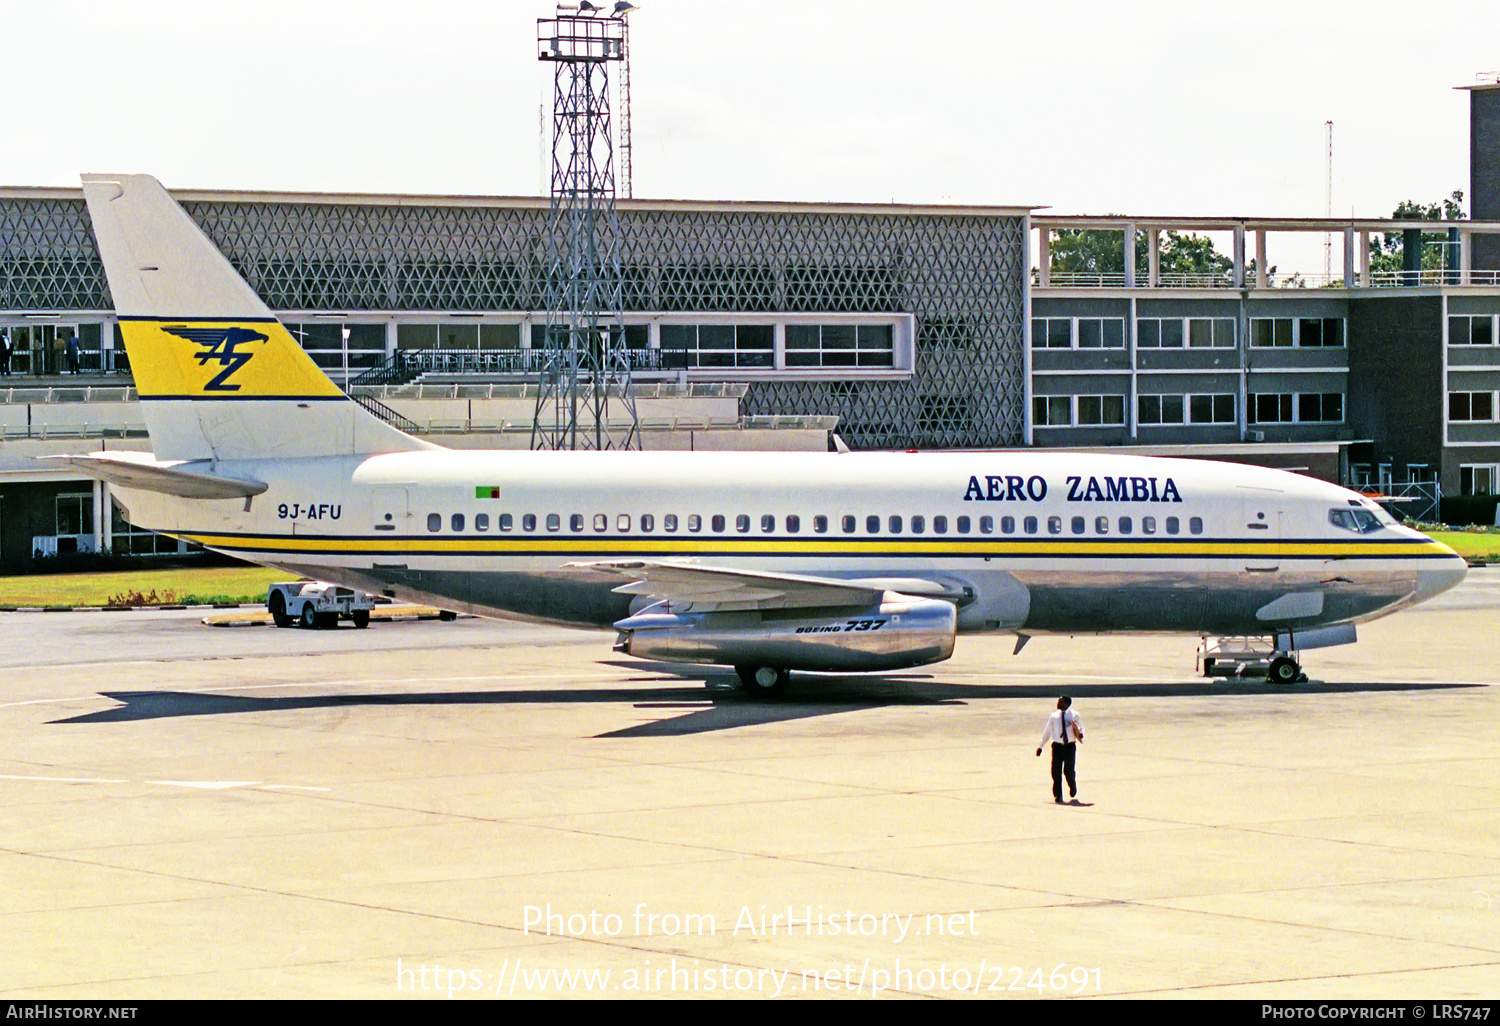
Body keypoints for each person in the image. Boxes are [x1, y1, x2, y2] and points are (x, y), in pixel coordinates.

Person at [1036, 696, 1083, 804]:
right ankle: (1058, 795)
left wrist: (1081, 734)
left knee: (1068, 771)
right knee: (1055, 772)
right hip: (1057, 747)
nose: (1058, 703)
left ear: (1067, 704)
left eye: (1060, 701)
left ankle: (1072, 785)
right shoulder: (1054, 716)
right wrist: (1040, 746)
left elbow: (1080, 728)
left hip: (1069, 747)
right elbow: (1047, 731)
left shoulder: (1074, 715)